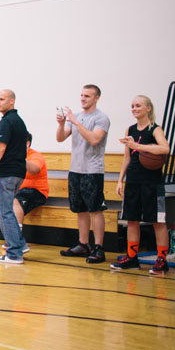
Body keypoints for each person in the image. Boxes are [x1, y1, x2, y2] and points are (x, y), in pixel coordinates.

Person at [111, 95, 171, 275]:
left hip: (152, 182)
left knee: (157, 221)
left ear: (148, 108)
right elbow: (127, 157)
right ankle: (131, 257)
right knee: (132, 219)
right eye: (132, 106)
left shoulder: (155, 129)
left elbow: (165, 149)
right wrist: (120, 180)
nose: (134, 108)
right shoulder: (129, 129)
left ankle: (162, 260)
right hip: (133, 181)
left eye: (138, 106)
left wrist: (138, 145)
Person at [57, 85, 110, 263]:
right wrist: (62, 123)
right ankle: (83, 243)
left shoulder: (101, 118)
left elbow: (94, 139)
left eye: (87, 96)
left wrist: (76, 122)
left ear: (96, 98)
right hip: (75, 169)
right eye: (81, 95)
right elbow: (60, 138)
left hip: (92, 170)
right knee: (80, 209)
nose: (83, 98)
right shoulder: (76, 117)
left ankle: (99, 247)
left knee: (95, 209)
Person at [0, 90, 28, 264]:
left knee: (5, 212)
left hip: (6, 173)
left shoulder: (7, 122)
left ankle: (14, 253)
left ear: (12, 101)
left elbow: (0, 149)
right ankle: (20, 244)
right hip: (18, 173)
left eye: (2, 99)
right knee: (7, 210)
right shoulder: (19, 122)